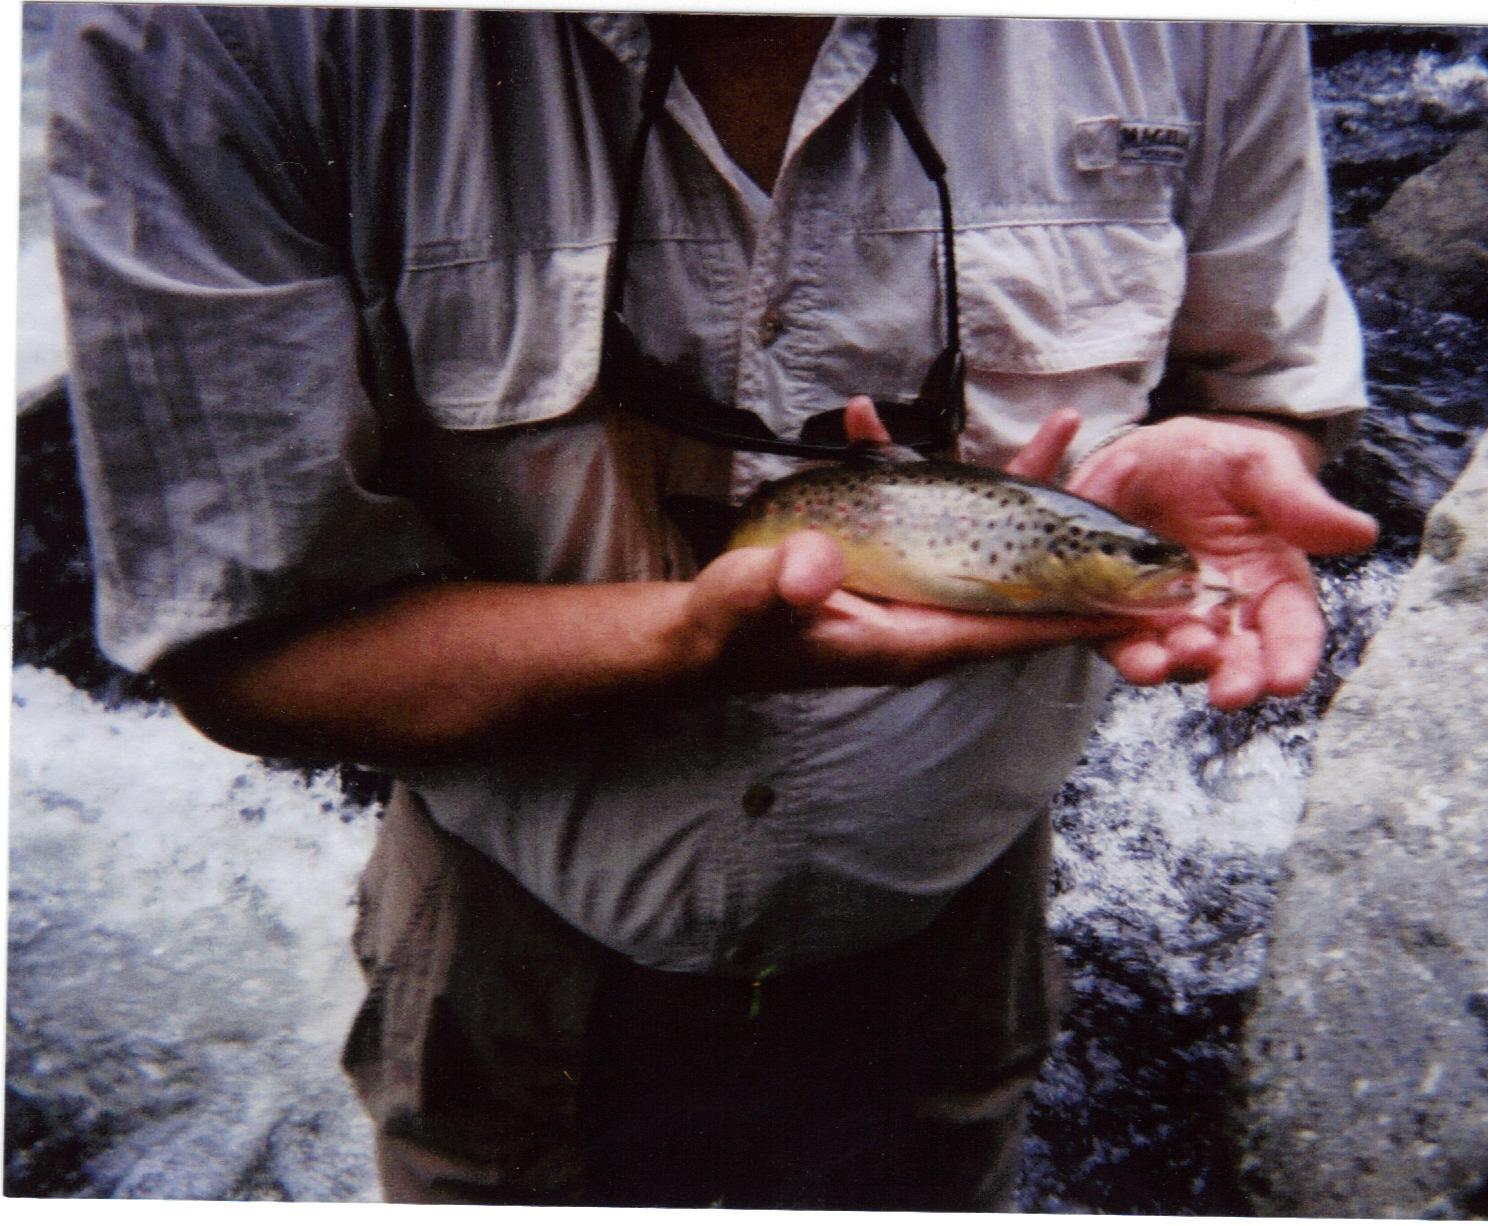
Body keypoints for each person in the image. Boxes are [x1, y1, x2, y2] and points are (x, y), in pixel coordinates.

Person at [49, 6, 1378, 1210]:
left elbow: (1254, 385)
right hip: (507, 963)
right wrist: (691, 636)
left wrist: (1251, 458)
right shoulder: (217, 36)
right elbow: (244, 655)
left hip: (958, 947)